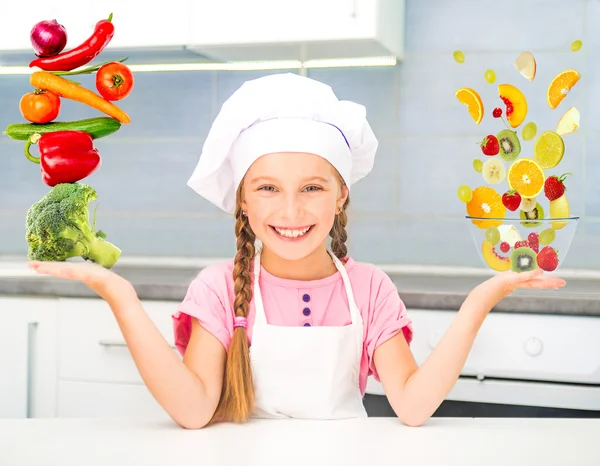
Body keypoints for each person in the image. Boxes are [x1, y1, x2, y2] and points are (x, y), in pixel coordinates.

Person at [28, 73, 565, 429]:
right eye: (267, 188)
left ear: (341, 194)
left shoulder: (368, 287)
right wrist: (117, 293)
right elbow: (193, 411)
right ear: (241, 200)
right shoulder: (218, 288)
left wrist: (483, 298)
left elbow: (413, 404)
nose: (291, 211)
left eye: (312, 187)